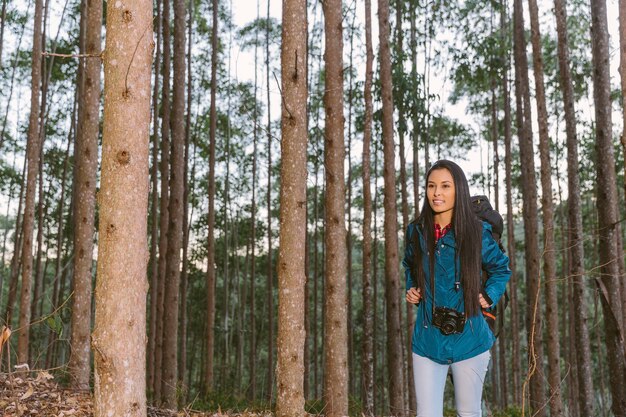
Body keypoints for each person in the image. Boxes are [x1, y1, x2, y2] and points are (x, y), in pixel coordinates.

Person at [403, 159, 511, 417]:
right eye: (431, 186)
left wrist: (489, 295)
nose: (437, 193)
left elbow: (501, 268)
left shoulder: (476, 231)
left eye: (445, 186)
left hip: (471, 338)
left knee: (469, 413)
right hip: (427, 340)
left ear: (458, 190)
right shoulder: (416, 231)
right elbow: (409, 264)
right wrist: (413, 287)